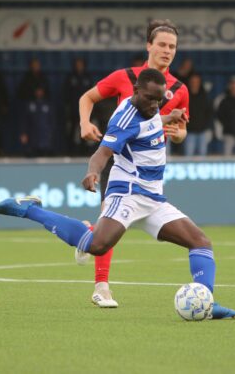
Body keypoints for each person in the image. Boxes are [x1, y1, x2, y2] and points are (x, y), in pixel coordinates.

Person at [0, 68, 235, 320]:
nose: (154, 105)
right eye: (150, 99)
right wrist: (93, 172)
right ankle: (30, 209)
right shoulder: (123, 120)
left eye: (158, 100)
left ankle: (207, 303)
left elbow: (150, 121)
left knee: (201, 242)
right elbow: (101, 153)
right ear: (135, 91)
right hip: (127, 194)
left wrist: (169, 116)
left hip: (153, 199)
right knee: (97, 245)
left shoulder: (150, 108)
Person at [77, 19, 189, 307]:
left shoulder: (180, 88)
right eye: (162, 45)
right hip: (119, 160)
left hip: (150, 169)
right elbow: (87, 97)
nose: (167, 51)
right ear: (149, 46)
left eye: (172, 47)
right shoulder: (124, 77)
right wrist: (85, 123)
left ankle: (87, 234)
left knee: (110, 226)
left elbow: (182, 131)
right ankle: (101, 287)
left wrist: (178, 134)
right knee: (109, 216)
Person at [62, 57, 93, 156]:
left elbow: (92, 93)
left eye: (81, 64)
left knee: (84, 128)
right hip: (73, 108)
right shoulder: (71, 77)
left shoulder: (87, 77)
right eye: (77, 64)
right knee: (72, 129)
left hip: (86, 109)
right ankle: (71, 150)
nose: (79, 66)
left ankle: (84, 149)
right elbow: (66, 93)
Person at [19, 87, 56, 157]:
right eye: (37, 90)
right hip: (32, 140)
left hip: (45, 140)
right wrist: (23, 133)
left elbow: (52, 122)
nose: (39, 92)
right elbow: (25, 121)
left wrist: (51, 135)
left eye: (40, 90)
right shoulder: (30, 105)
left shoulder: (48, 105)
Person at [184, 73, 213, 156]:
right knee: (188, 157)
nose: (195, 84)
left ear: (200, 83)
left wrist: (207, 126)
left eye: (197, 82)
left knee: (202, 157)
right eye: (193, 82)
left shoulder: (204, 96)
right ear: (189, 83)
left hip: (202, 131)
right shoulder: (185, 96)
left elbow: (209, 112)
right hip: (189, 131)